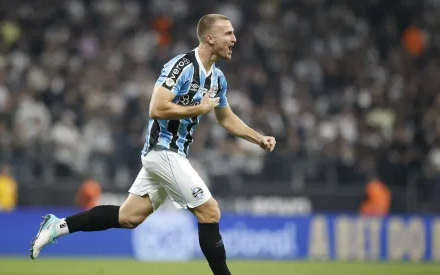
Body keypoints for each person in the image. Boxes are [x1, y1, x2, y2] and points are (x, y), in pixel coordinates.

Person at [29, 14, 276, 275]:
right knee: (210, 211)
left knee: (129, 217)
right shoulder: (181, 66)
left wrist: (257, 138)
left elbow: (225, 118)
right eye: (228, 33)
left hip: (173, 154)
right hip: (163, 151)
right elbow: (156, 108)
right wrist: (197, 107)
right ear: (210, 37)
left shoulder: (217, 79)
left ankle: (57, 226)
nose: (234, 39)